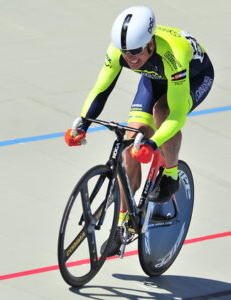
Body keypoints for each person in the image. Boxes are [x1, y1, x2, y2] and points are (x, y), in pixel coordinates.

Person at [64, 6, 214, 256]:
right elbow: (101, 90)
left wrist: (153, 145)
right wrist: (82, 124)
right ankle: (124, 225)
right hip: (154, 76)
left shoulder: (174, 55)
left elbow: (176, 116)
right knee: (131, 140)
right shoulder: (119, 52)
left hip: (194, 77)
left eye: (135, 51)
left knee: (162, 112)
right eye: (125, 52)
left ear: (150, 43)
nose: (130, 58)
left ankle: (172, 174)